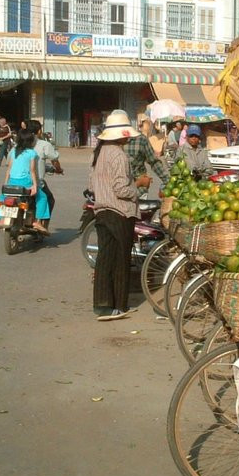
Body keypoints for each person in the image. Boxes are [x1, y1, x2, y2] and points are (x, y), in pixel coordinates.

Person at [89, 110, 150, 321]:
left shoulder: (99, 153)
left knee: (105, 258)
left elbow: (93, 184)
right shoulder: (119, 156)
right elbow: (122, 189)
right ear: (122, 135)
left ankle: (103, 305)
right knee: (120, 260)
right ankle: (119, 306)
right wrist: (139, 185)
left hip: (102, 211)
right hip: (119, 213)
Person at [0, 127, 49, 234]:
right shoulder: (31, 153)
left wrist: (6, 183)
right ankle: (37, 221)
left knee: (4, 196)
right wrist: (35, 186)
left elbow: (9, 169)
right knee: (42, 197)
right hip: (25, 182)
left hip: (12, 181)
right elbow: (32, 171)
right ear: (30, 142)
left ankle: (2, 218)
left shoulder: (14, 151)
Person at [120, 111, 170, 195]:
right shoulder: (106, 144)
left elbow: (154, 162)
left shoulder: (140, 140)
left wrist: (168, 182)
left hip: (139, 191)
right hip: (115, 193)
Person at [27, 119, 63, 230]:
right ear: (39, 131)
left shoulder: (19, 144)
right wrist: (58, 169)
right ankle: (41, 225)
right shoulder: (44, 145)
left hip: (17, 181)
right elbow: (54, 160)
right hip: (35, 181)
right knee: (49, 199)